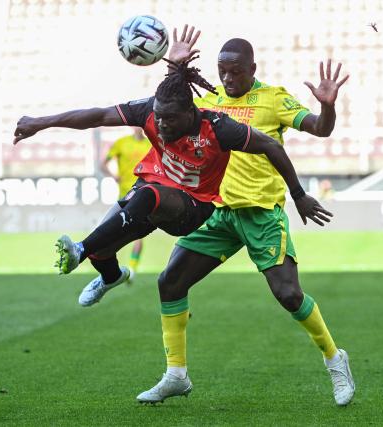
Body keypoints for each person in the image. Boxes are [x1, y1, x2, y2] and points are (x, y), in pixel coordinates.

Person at [127, 27, 354, 406]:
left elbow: (320, 128)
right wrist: (174, 67)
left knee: (288, 294)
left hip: (261, 214)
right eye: (222, 72)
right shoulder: (209, 100)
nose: (228, 79)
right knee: (170, 282)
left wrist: (327, 106)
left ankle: (335, 359)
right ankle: (175, 375)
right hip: (217, 212)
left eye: (236, 72)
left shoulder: (273, 99)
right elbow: (167, 108)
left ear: (253, 69)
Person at [13, 57, 331, 309]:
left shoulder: (222, 124)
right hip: (158, 189)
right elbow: (100, 115)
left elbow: (281, 142)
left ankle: (79, 250)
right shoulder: (159, 109)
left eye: (169, 119)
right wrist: (41, 123)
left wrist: (299, 193)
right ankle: (110, 275)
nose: (162, 125)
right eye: (158, 118)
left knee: (142, 199)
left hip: (197, 205)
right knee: (106, 247)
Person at [101, 127, 151, 279]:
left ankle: (132, 268)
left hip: (143, 193)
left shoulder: (150, 144)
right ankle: (110, 267)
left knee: (138, 234)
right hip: (125, 193)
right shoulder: (121, 143)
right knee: (110, 228)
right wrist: (114, 176)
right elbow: (103, 164)